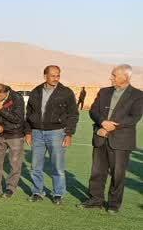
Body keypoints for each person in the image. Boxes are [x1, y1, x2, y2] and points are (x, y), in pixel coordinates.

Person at [82, 64, 142, 214]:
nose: (111, 78)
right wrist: (102, 122)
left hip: (121, 141)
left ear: (125, 77)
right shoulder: (104, 92)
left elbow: (134, 117)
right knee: (97, 172)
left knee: (117, 174)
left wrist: (111, 126)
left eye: (114, 75)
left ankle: (114, 204)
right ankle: (95, 200)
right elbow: (93, 111)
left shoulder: (138, 95)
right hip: (100, 137)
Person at [25, 65, 78, 205]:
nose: (56, 78)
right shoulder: (36, 91)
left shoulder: (66, 92)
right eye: (53, 75)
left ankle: (58, 194)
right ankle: (37, 192)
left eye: (58, 75)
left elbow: (73, 114)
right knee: (35, 166)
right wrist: (28, 132)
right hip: (37, 133)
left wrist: (69, 133)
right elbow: (29, 113)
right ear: (45, 76)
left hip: (57, 133)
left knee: (58, 167)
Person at [0, 83, 26, 197]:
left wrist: (1, 109)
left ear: (4, 94)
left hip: (15, 135)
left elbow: (18, 119)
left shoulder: (17, 98)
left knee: (15, 163)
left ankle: (10, 188)